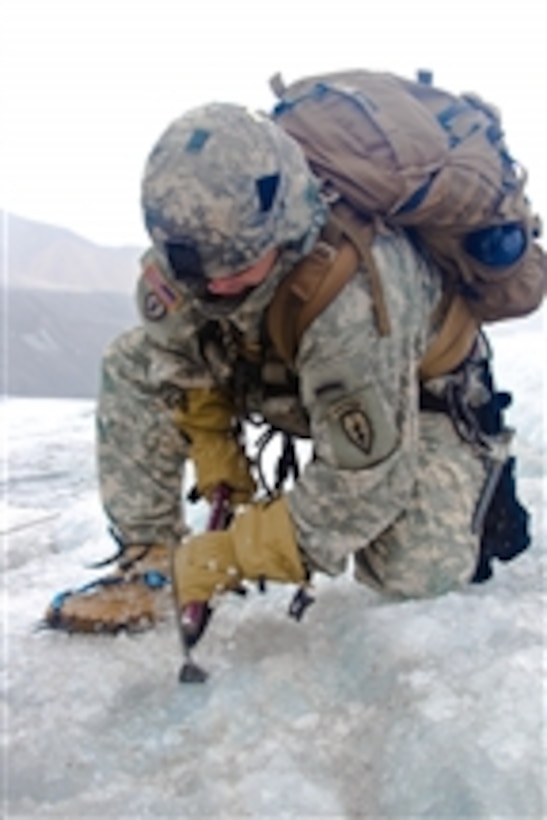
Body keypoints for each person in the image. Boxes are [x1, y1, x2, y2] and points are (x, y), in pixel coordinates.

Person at [45, 101, 528, 635]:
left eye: (238, 268)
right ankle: (148, 564)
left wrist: (233, 554)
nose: (217, 284)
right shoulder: (201, 248)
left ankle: (475, 480)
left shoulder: (351, 297)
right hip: (291, 372)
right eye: (200, 272)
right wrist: (212, 446)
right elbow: (175, 349)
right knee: (132, 362)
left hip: (413, 393)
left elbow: (364, 483)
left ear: (285, 230)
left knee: (415, 573)